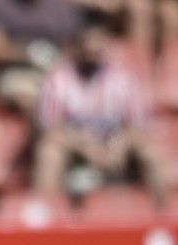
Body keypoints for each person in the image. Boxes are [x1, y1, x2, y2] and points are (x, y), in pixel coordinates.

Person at [34, 8, 167, 207]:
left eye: (98, 40)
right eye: (88, 41)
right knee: (49, 152)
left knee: (152, 152)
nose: (93, 48)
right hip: (76, 150)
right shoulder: (58, 80)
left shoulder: (123, 79)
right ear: (76, 44)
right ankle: (45, 219)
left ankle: (164, 219)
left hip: (115, 148)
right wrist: (88, 149)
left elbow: (138, 126)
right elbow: (51, 129)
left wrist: (117, 146)